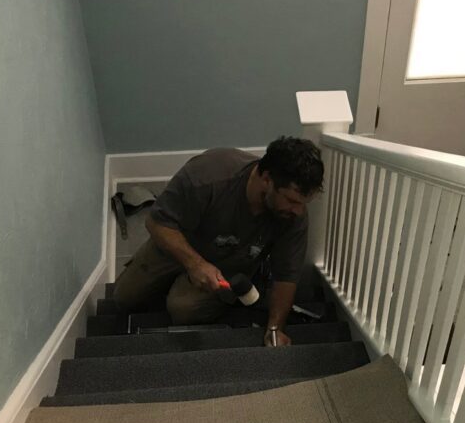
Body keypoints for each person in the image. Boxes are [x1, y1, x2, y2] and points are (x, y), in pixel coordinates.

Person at [113, 136, 324, 346]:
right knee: (124, 298)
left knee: (182, 309)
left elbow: (287, 275)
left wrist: (275, 327)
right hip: (179, 240)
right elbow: (156, 222)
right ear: (267, 179)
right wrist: (195, 264)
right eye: (291, 201)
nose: (298, 211)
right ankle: (174, 277)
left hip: (229, 263)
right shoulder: (208, 176)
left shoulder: (293, 216)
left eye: (303, 203)